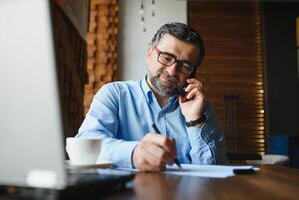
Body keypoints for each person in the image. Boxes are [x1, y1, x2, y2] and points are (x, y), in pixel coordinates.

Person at [75, 22, 227, 172]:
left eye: (185, 66)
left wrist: (195, 121)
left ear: (192, 73)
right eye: (166, 57)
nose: (172, 70)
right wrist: (133, 153)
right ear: (149, 54)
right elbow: (86, 144)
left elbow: (215, 170)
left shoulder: (202, 109)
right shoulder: (115, 94)